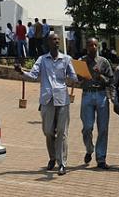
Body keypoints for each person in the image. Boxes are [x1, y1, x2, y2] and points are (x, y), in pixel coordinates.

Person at [14, 33, 78, 176]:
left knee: (62, 132)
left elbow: (74, 77)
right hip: (47, 100)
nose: (56, 41)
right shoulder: (42, 59)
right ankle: (52, 157)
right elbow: (34, 75)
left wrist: (75, 77)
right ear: (48, 42)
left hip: (62, 100)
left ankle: (62, 163)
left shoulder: (66, 59)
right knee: (48, 132)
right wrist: (21, 72)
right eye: (54, 39)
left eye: (58, 40)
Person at [79, 38, 114, 169]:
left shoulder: (103, 62)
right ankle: (89, 149)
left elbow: (111, 80)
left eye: (95, 45)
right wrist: (81, 76)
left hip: (101, 95)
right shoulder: (82, 60)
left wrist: (100, 76)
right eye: (90, 45)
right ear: (86, 47)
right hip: (87, 94)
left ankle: (101, 158)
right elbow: (76, 78)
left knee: (103, 128)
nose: (93, 47)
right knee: (87, 127)